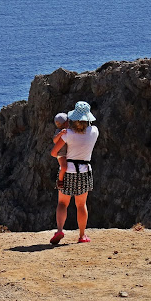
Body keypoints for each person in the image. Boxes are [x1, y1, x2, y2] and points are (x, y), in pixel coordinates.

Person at [49, 101, 99, 244]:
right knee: (81, 204)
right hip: (84, 171)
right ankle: (82, 236)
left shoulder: (68, 134)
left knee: (62, 203)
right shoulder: (94, 131)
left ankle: (59, 230)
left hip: (68, 171)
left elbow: (54, 152)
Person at [52, 112, 69, 190]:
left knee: (65, 167)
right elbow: (55, 141)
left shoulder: (68, 130)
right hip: (61, 153)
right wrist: (60, 134)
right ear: (65, 123)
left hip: (67, 152)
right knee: (64, 167)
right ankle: (60, 181)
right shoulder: (58, 131)